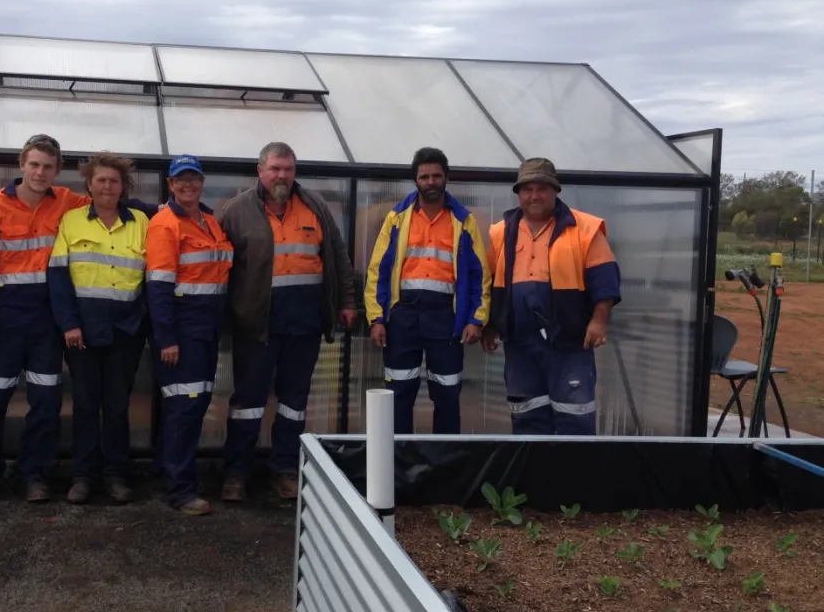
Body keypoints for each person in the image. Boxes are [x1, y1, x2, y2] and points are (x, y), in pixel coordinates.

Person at [217, 141, 357, 501]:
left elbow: (338, 256)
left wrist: (346, 301)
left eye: (289, 169)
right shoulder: (236, 211)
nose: (282, 175)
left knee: (294, 402)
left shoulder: (315, 206)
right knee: (248, 402)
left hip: (304, 325)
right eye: (276, 168)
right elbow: (221, 267)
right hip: (257, 326)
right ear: (260, 171)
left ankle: (285, 471)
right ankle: (236, 472)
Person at [0, 135, 86, 507]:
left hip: (47, 323)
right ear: (21, 164)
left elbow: (109, 202)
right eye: (34, 164)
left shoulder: (67, 201)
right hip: (4, 321)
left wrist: (161, 206)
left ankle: (35, 475)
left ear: (57, 170)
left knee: (45, 402)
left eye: (48, 167)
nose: (40, 172)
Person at [482, 158, 621, 435]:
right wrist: (490, 325)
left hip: (569, 343)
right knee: (527, 417)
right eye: (527, 189)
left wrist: (599, 321)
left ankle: (572, 478)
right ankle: (533, 477)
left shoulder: (584, 228)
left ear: (555, 190)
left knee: (575, 418)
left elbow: (604, 280)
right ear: (519, 193)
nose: (534, 196)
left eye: (541, 188)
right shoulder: (501, 232)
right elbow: (490, 283)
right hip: (520, 344)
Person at [363, 148, 490, 434]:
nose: (430, 182)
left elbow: (480, 274)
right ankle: (398, 466)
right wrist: (376, 318)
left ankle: (444, 466)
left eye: (436, 176)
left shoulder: (464, 221)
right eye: (424, 177)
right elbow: (377, 272)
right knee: (397, 396)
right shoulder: (396, 218)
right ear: (415, 180)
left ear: (446, 178)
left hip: (447, 319)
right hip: (402, 318)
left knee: (447, 395)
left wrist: (475, 319)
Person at [49, 152, 150, 505]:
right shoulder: (71, 221)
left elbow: (154, 275)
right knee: (87, 404)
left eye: (114, 181)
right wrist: (70, 325)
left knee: (119, 405)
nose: (107, 186)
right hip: (84, 332)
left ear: (124, 187)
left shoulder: (142, 221)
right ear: (89, 185)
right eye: (101, 180)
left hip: (126, 331)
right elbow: (58, 277)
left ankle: (116, 475)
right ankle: (83, 476)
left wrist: (142, 318)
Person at [145, 155, 234, 516]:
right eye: (180, 180)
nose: (187, 185)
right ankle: (179, 490)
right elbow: (158, 287)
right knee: (184, 407)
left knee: (193, 405)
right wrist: (166, 338)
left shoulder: (210, 221)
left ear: (202, 182)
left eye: (193, 179)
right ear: (170, 184)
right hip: (181, 330)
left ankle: (170, 474)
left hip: (207, 329)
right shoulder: (165, 224)